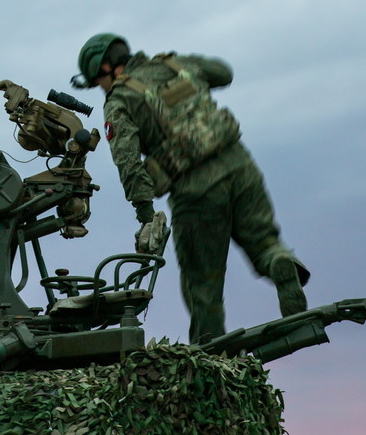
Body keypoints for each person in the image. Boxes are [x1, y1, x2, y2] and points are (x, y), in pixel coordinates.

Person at [73, 33, 309, 344]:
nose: (101, 89)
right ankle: (279, 261)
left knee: (202, 284)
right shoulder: (174, 64)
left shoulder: (120, 99)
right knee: (265, 242)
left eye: (97, 82)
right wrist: (183, 75)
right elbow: (223, 73)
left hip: (196, 191)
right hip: (240, 165)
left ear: (106, 68)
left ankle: (211, 354)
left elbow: (126, 160)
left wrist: (144, 211)